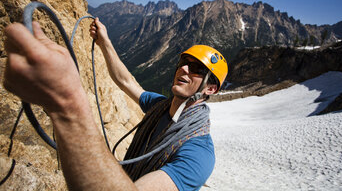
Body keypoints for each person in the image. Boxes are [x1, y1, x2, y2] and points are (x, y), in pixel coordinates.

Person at [3, 18, 228, 191]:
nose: (185, 69)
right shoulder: (160, 107)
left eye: (197, 69)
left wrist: (65, 104)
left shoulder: (198, 153)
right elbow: (126, 81)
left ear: (210, 89)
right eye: (184, 62)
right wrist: (105, 42)